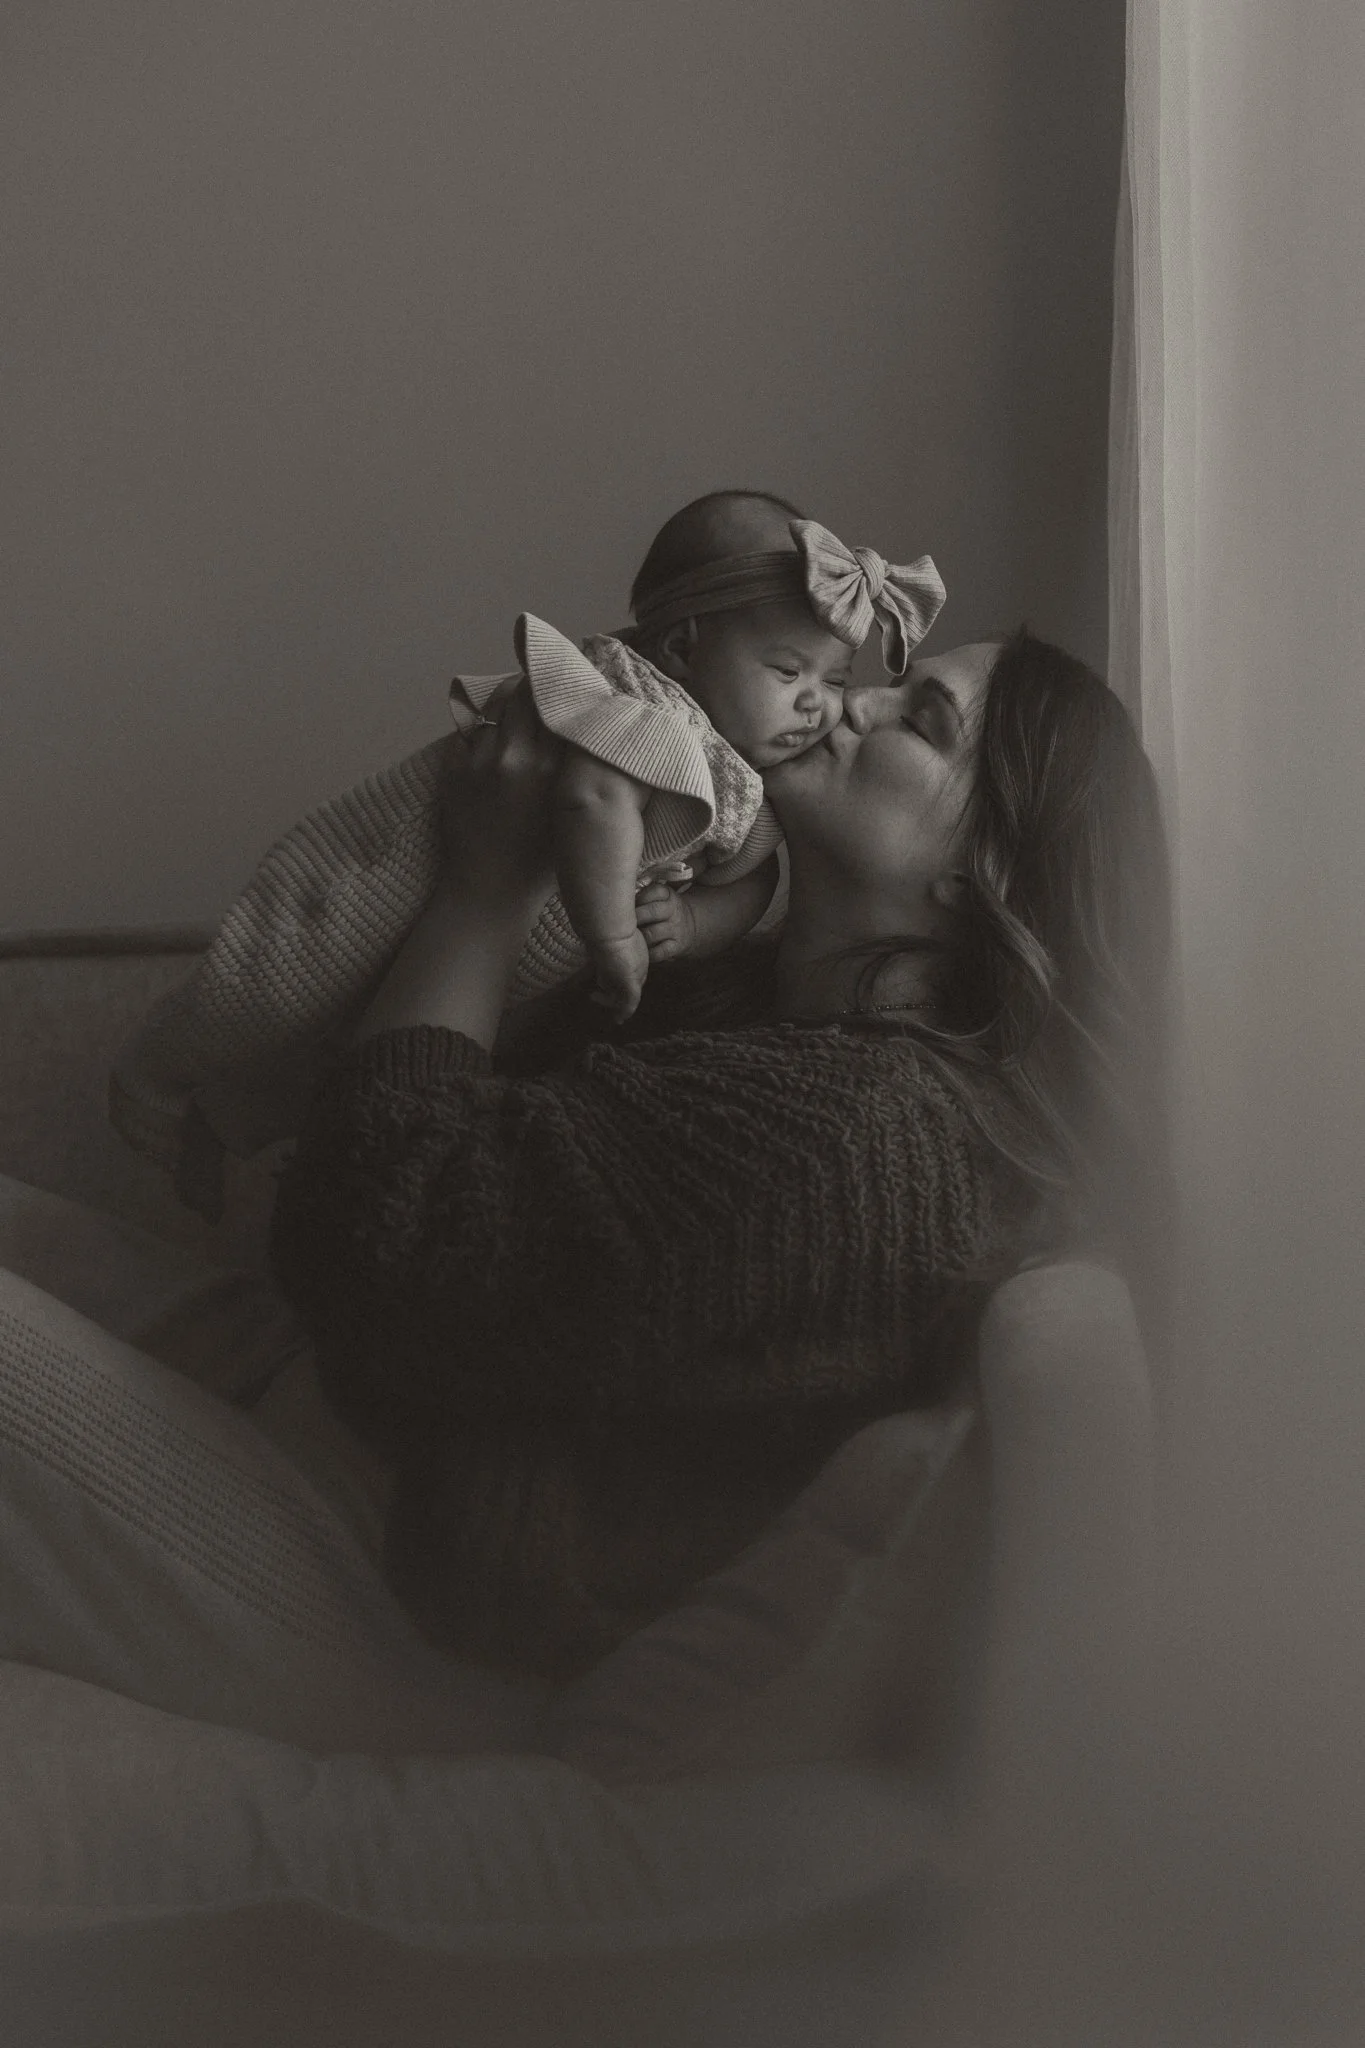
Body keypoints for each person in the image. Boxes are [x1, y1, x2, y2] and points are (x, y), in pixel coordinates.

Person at [267, 617, 1172, 1683]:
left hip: (413, 1590)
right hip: (346, 1408)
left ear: (980, 877)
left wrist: (486, 887)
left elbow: (369, 1235)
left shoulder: (851, 1129)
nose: (847, 702)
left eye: (915, 721)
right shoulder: (744, 998)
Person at [108, 492, 945, 1210]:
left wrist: (692, 923)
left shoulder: (747, 787)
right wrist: (615, 936)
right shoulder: (643, 713)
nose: (822, 707)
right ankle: (156, 1079)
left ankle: (221, 1127)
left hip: (497, 952)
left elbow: (753, 876)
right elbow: (590, 800)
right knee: (279, 978)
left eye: (832, 681)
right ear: (684, 649)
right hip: (417, 863)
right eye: (788, 671)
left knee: (328, 1058)